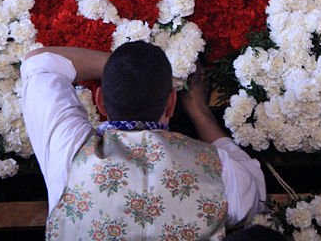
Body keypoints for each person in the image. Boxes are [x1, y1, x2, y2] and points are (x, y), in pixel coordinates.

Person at [22, 40, 266, 239]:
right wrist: (199, 112)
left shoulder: (70, 153)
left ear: (100, 101)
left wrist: (121, 69)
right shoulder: (217, 168)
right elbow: (256, 194)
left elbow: (40, 64)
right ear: (171, 103)